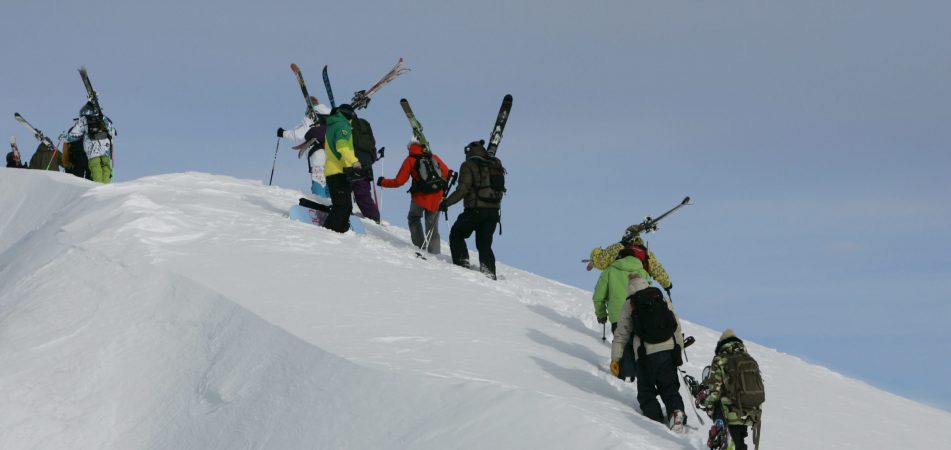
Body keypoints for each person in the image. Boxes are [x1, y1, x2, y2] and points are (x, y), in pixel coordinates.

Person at [611, 274, 687, 432]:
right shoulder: (660, 296)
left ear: (629, 286)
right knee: (670, 387)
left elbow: (621, 334)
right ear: (645, 283)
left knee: (646, 391)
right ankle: (676, 413)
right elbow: (676, 325)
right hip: (668, 350)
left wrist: (616, 358)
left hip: (645, 354)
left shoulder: (630, 303)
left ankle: (655, 421)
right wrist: (678, 348)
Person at [440, 140, 505, 279]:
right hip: (493, 213)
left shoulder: (468, 165)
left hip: (475, 210)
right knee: (484, 244)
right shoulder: (494, 164)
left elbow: (463, 189)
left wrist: (446, 203)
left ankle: (462, 264)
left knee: (457, 234)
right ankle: (489, 273)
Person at [377, 138, 450, 253]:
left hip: (420, 197)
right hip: (437, 197)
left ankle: (419, 247)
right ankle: (435, 255)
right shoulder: (433, 157)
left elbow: (399, 181)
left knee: (414, 218)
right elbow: (447, 173)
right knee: (432, 228)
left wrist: (383, 182)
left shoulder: (410, 160)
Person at [701, 329, 764, 450]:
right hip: (751, 411)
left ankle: (721, 434)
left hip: (731, 411)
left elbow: (715, 390)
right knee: (739, 442)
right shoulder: (750, 359)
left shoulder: (720, 359)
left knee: (732, 442)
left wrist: (707, 404)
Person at [592, 250, 650, 382]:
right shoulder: (642, 271)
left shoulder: (609, 271)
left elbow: (598, 296)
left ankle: (626, 376)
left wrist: (601, 314)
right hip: (639, 315)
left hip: (617, 316)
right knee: (639, 346)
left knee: (622, 344)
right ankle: (640, 377)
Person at [587, 234, 673, 296]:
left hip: (618, 297)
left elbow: (600, 261)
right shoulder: (645, 253)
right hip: (641, 294)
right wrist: (667, 285)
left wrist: (596, 253)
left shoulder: (616, 248)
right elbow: (658, 270)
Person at [321, 104, 362, 233]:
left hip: (334, 170)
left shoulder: (332, 125)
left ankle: (340, 231)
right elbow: (343, 146)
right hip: (338, 172)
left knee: (344, 206)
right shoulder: (342, 126)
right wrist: (355, 162)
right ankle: (329, 232)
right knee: (342, 206)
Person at [279, 102, 332, 198]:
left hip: (318, 153)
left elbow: (298, 134)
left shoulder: (312, 117)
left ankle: (320, 204)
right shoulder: (332, 118)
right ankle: (333, 206)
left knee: (319, 180)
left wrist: (283, 133)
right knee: (330, 183)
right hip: (332, 155)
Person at [64, 102, 116, 183]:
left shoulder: (84, 120)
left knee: (95, 166)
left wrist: (65, 138)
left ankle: (98, 185)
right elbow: (113, 132)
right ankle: (106, 185)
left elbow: (74, 135)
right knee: (106, 165)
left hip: (92, 148)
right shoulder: (103, 118)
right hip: (105, 147)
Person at [348, 109, 381, 223]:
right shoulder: (364, 125)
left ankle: (345, 217)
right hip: (366, 166)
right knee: (363, 195)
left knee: (344, 191)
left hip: (352, 164)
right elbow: (372, 147)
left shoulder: (346, 128)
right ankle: (374, 219)